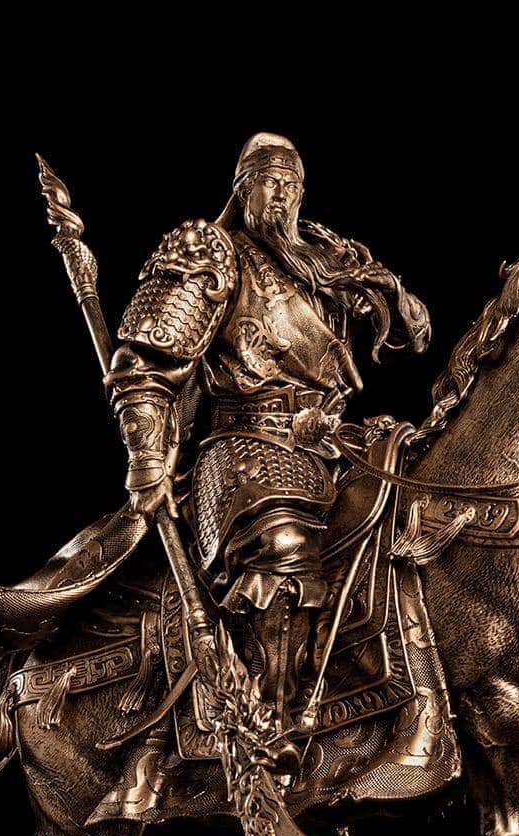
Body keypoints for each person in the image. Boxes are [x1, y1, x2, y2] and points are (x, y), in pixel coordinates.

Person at [104, 133, 430, 720]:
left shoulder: (324, 258)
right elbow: (142, 366)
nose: (280, 194)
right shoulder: (212, 251)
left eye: (291, 184)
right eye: (268, 181)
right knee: (283, 550)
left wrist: (392, 294)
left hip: (330, 445)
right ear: (243, 188)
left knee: (420, 516)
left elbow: (413, 333)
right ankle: (268, 720)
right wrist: (147, 459)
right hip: (243, 446)